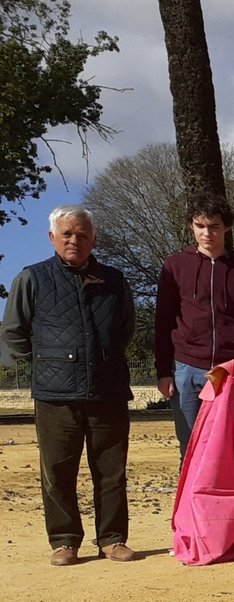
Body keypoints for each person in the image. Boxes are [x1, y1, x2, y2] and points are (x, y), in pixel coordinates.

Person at [2, 206, 136, 566]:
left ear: (93, 239)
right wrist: (47, 364)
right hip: (55, 396)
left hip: (108, 391)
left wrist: (104, 361)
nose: (74, 240)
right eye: (67, 234)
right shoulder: (31, 278)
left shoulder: (115, 280)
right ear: (52, 238)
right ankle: (64, 540)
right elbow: (14, 333)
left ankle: (112, 538)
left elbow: (124, 330)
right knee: (58, 473)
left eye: (82, 234)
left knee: (111, 471)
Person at [155, 194, 234, 460]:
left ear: (226, 227)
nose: (207, 233)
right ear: (191, 226)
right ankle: (192, 503)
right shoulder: (174, 266)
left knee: (231, 448)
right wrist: (163, 372)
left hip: (231, 372)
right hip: (187, 371)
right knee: (192, 449)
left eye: (214, 226)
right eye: (200, 225)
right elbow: (163, 322)